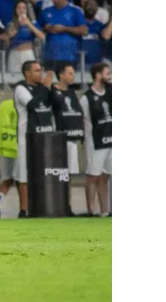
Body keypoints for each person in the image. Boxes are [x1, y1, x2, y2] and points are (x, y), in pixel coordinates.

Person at [12, 61, 55, 218]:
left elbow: (53, 103)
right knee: (24, 175)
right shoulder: (21, 88)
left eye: (41, 70)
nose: (40, 73)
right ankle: (24, 210)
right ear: (27, 73)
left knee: (43, 174)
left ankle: (41, 206)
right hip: (26, 137)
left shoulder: (42, 88)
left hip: (44, 136)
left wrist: (49, 89)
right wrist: (46, 87)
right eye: (37, 71)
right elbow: (33, 105)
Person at [49, 63, 84, 214]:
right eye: (70, 73)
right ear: (61, 75)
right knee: (58, 174)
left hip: (72, 138)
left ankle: (67, 205)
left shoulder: (71, 93)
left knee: (68, 175)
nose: (72, 76)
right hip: (58, 139)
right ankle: (56, 204)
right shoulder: (53, 92)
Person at [80, 63, 112, 217]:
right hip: (95, 142)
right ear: (98, 75)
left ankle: (105, 211)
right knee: (93, 175)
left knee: (106, 176)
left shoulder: (111, 92)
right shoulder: (86, 98)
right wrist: (87, 141)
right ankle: (91, 210)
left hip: (111, 141)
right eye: (107, 73)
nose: (110, 76)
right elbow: (84, 122)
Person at [0, 98, 18, 218]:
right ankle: (24, 209)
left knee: (7, 180)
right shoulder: (26, 105)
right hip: (20, 148)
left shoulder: (3, 106)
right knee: (23, 181)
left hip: (6, 147)